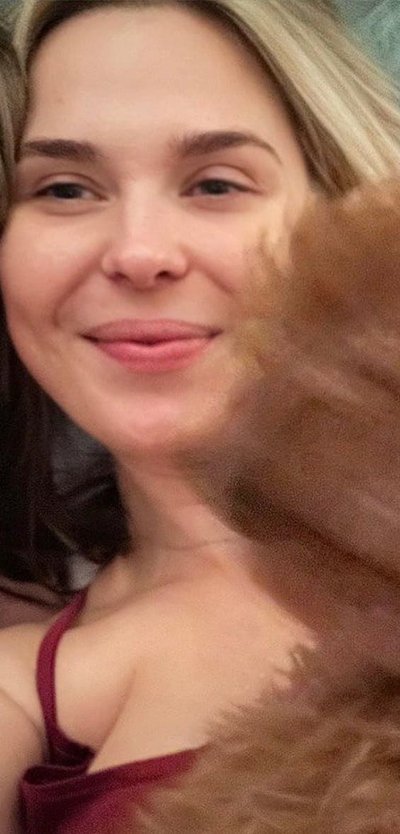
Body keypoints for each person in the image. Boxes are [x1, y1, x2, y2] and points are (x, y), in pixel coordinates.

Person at [1, 1, 400, 832]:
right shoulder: (24, 695)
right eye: (65, 189)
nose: (139, 252)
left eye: (216, 183)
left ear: (349, 206)